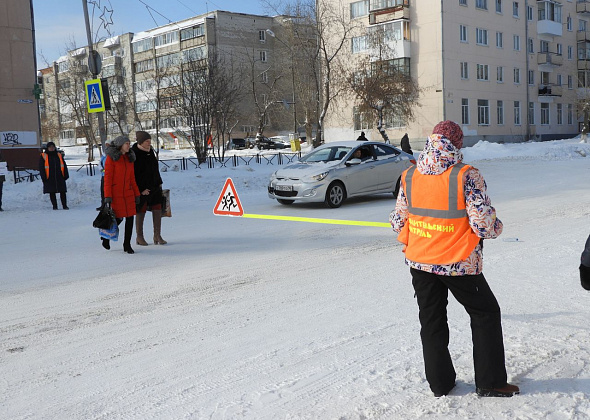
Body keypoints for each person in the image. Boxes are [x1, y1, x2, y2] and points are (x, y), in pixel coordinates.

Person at [390, 120, 519, 398]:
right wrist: (497, 227)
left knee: (432, 321)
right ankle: (490, 382)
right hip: (458, 261)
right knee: (485, 314)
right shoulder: (466, 175)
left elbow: (398, 222)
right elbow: (483, 224)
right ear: (457, 145)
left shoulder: (410, 175)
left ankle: (440, 384)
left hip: (420, 262)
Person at [103, 136, 140, 254]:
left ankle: (127, 244)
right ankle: (105, 236)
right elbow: (107, 178)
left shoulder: (129, 158)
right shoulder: (111, 158)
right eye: (126, 144)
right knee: (117, 219)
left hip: (128, 193)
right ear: (120, 145)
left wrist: (136, 194)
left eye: (129, 143)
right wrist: (107, 195)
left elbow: (132, 178)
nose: (129, 146)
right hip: (116, 194)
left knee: (130, 218)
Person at [132, 131, 167, 246]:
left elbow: (155, 169)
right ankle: (139, 236)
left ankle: (157, 235)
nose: (149, 143)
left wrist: (159, 182)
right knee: (141, 210)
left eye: (150, 141)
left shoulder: (150, 151)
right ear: (141, 142)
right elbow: (135, 174)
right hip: (143, 188)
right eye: (147, 141)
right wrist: (141, 189)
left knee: (157, 208)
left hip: (155, 186)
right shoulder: (135, 153)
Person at [39, 142, 69, 210]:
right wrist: (43, 177)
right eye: (50, 147)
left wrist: (66, 174)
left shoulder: (58, 155)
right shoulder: (43, 155)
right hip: (49, 177)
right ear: (47, 148)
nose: (51, 148)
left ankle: (64, 205)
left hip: (59, 176)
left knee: (63, 191)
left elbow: (64, 165)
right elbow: (41, 167)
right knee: (52, 192)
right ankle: (55, 206)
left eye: (53, 147)